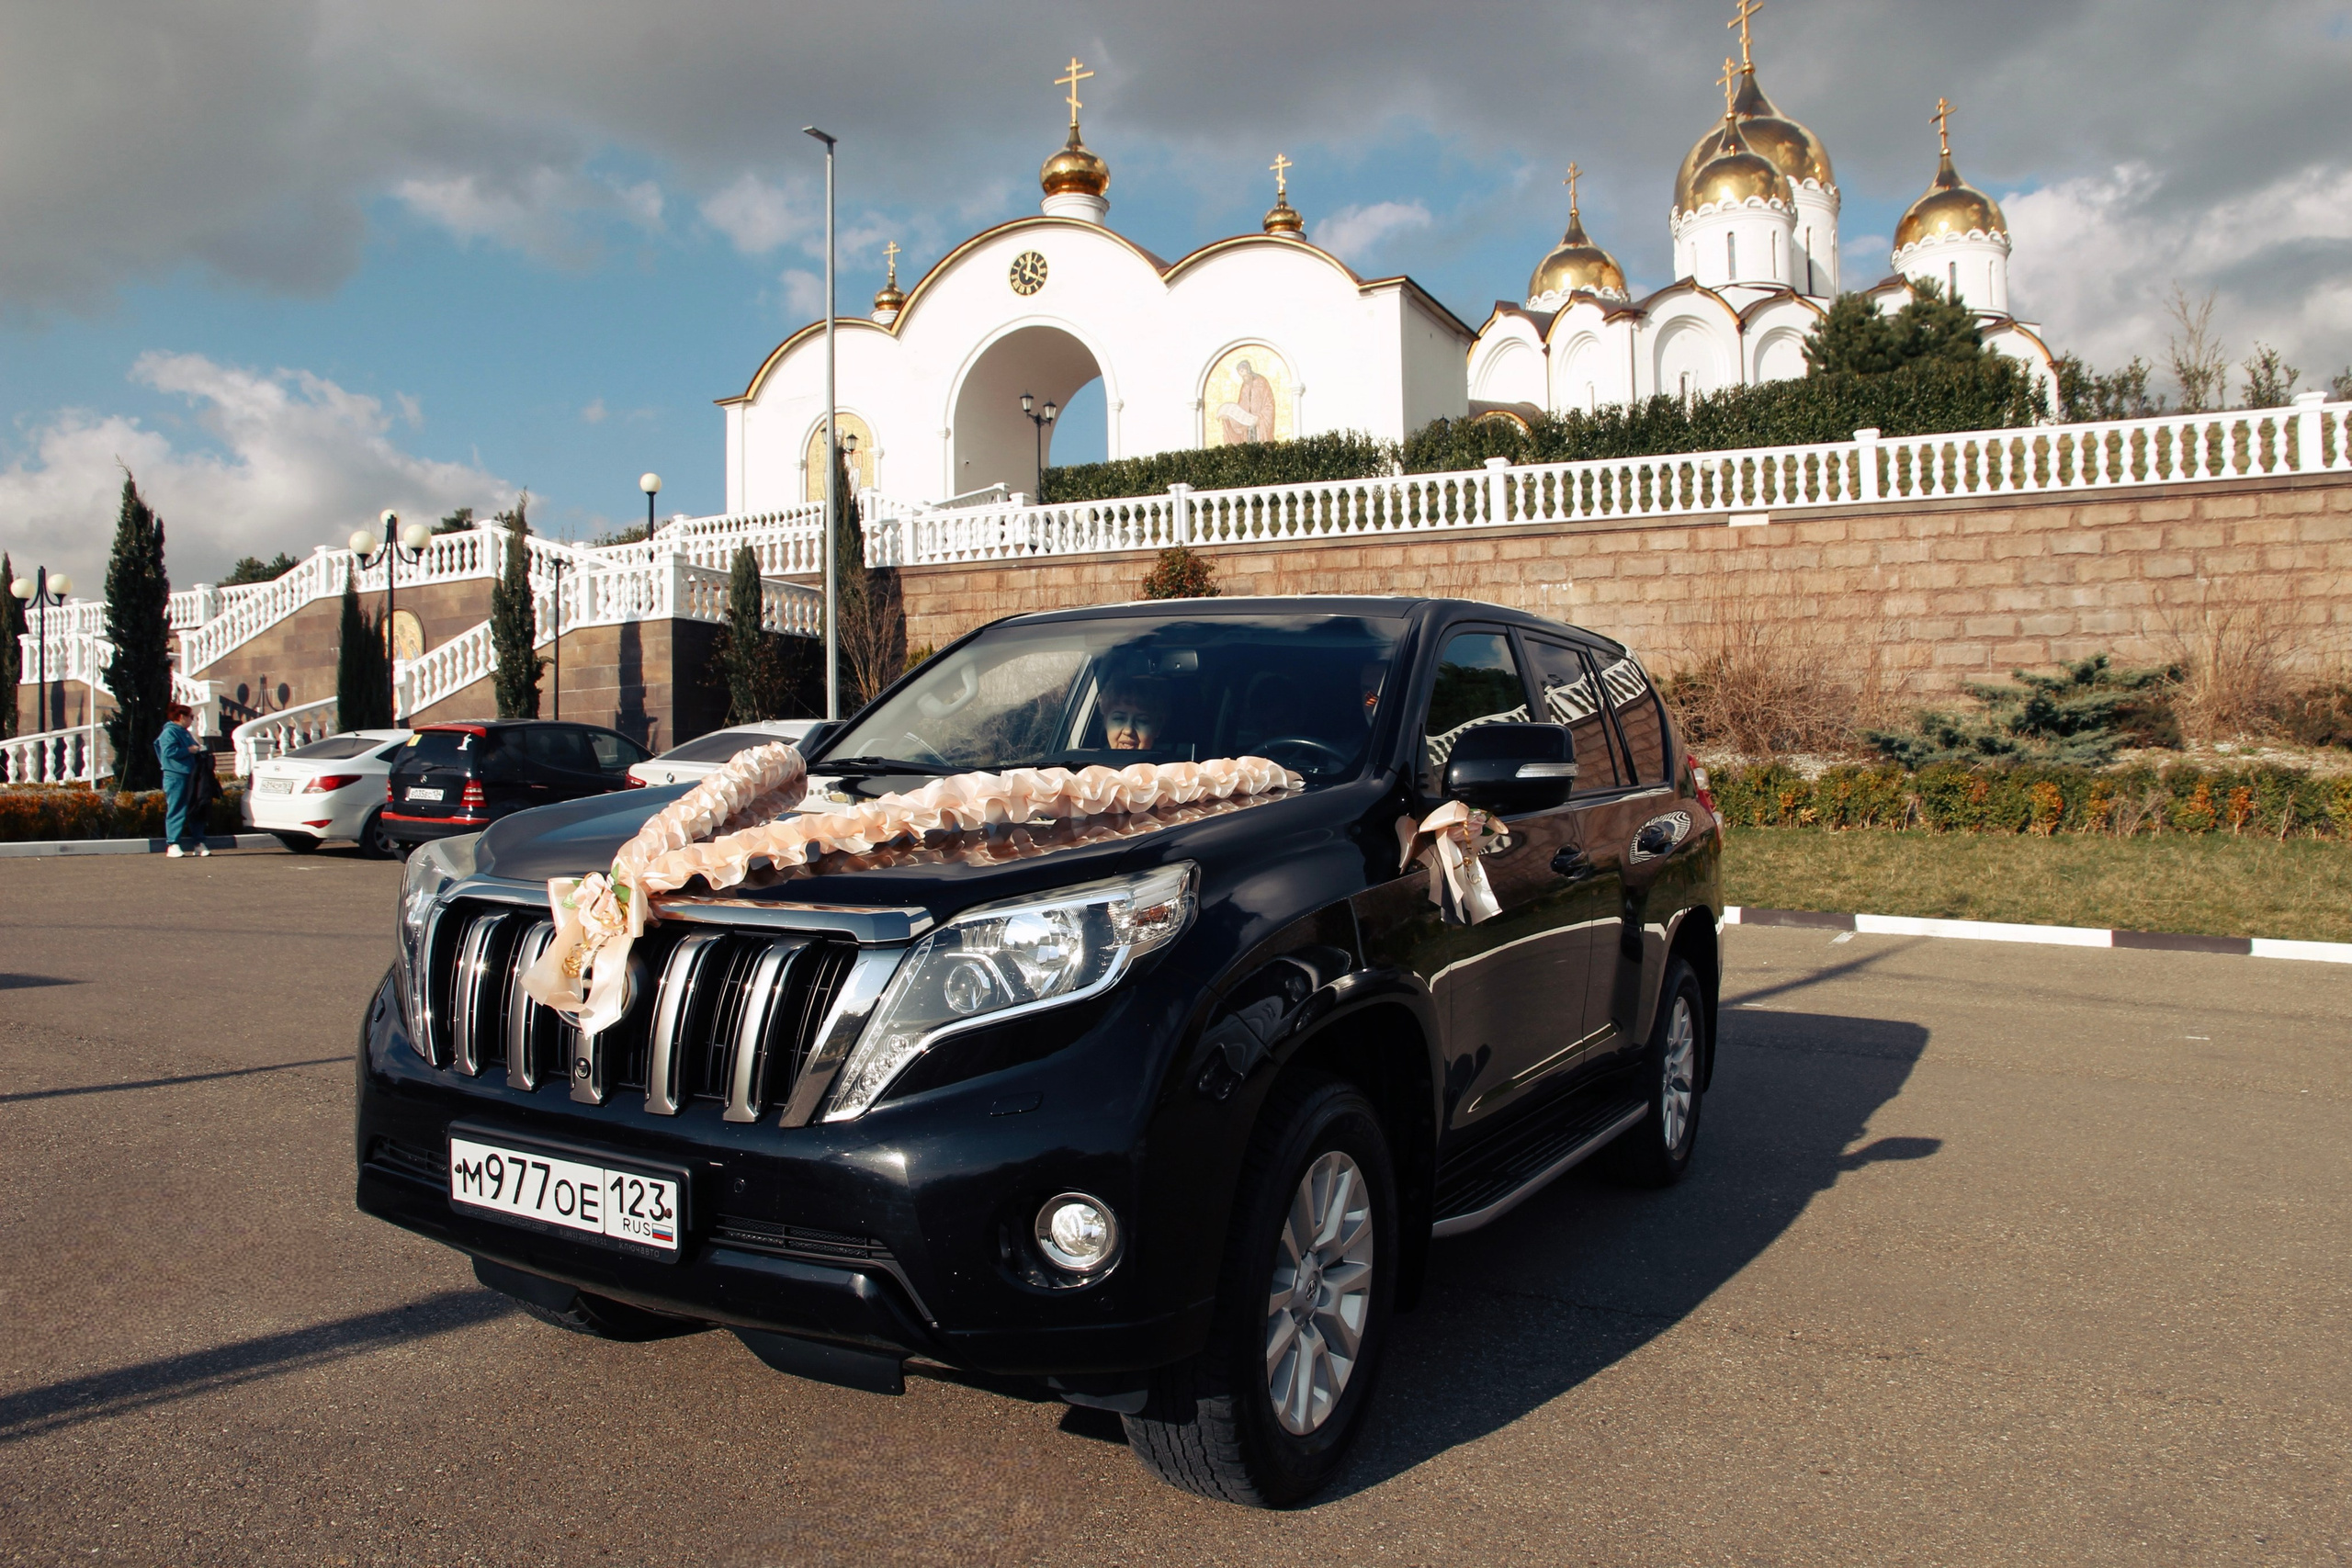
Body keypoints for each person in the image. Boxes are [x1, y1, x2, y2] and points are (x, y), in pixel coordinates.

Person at [155, 702, 210, 858]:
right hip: (175, 776)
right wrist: (189, 750)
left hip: (191, 776)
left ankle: (198, 843)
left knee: (197, 809)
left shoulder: (183, 732)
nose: (192, 720)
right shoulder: (169, 733)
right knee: (177, 809)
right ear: (181, 717)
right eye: (190, 716)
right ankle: (173, 844)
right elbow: (168, 752)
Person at [1102, 679, 1170, 751]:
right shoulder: (1092, 761)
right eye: (1119, 718)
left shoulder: (1172, 762)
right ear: (1105, 721)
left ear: (1157, 729)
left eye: (1142, 721)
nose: (1129, 731)